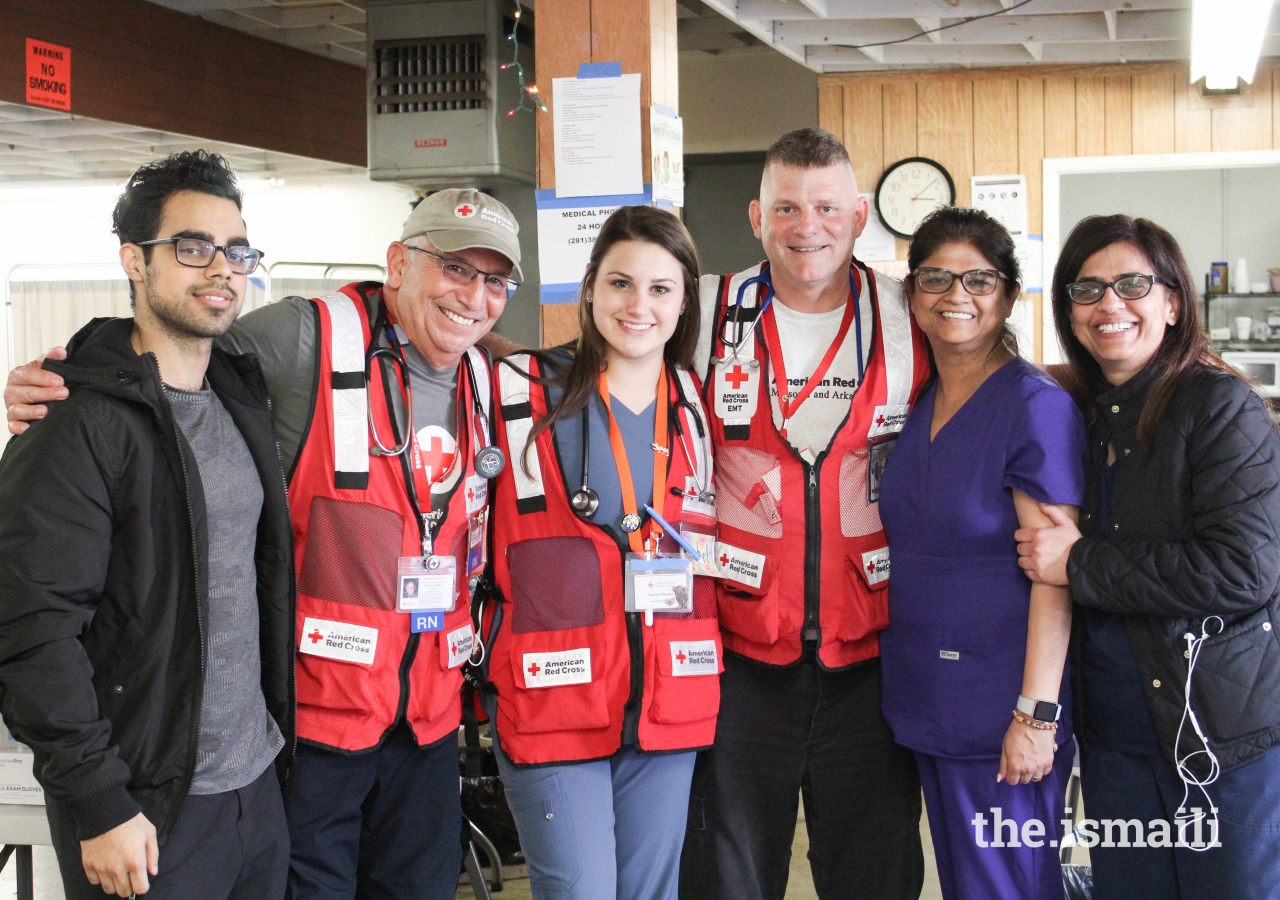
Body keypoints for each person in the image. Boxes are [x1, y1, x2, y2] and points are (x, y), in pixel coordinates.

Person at [5, 186, 523, 900]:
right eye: (455, 269)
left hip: (417, 728)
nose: (474, 294)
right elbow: (172, 349)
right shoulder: (302, 340)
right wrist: (65, 377)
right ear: (399, 262)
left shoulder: (495, 379)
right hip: (311, 729)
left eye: (495, 280)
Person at [0, 151, 294, 898]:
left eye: (236, 250)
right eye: (191, 247)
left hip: (254, 788)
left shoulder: (237, 392)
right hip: (147, 807)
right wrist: (97, 801)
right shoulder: (75, 422)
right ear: (134, 259)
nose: (220, 269)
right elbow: (31, 629)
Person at [679, 127, 933, 900]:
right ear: (757, 215)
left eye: (825, 206)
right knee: (727, 879)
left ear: (859, 214)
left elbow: (1004, 396)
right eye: (787, 207)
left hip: (873, 655)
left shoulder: (912, 313)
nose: (806, 226)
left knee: (875, 878)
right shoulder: (701, 311)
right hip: (736, 658)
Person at [1016, 214, 1280, 900]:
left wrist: (1079, 564)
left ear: (1172, 300)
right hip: (1115, 739)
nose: (1110, 304)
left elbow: (1243, 571)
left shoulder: (1220, 407)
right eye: (1088, 288)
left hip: (1218, 740)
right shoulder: (1083, 411)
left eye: (1133, 284)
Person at [482, 205, 719, 900]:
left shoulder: (699, 408)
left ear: (683, 302)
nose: (637, 305)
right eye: (620, 283)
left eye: (659, 288)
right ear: (589, 288)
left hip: (665, 701)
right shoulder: (517, 392)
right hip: (553, 700)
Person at [877, 207, 1084, 900]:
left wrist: (1036, 716)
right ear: (911, 294)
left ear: (1008, 295)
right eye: (935, 277)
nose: (955, 295)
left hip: (1003, 706)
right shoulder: (920, 400)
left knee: (1009, 887)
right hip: (928, 698)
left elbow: (1056, 575)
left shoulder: (1033, 406)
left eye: (978, 279)